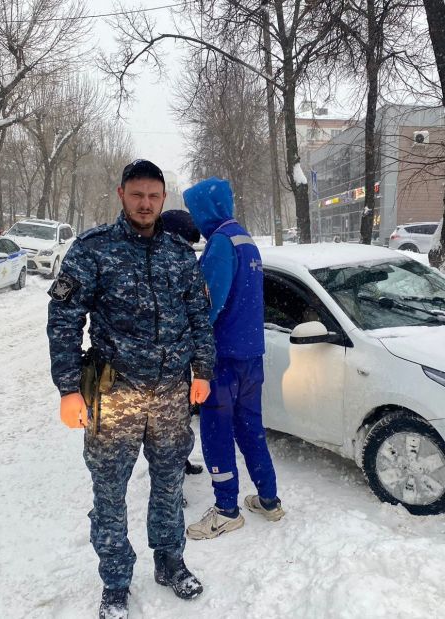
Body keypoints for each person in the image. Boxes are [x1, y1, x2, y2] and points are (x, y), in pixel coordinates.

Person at [46, 159, 215, 619]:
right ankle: (116, 582)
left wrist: (202, 370)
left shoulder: (179, 253)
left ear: (164, 199)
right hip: (114, 394)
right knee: (109, 492)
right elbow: (63, 320)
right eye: (137, 194)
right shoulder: (93, 249)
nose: (145, 203)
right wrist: (68, 389)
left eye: (154, 196)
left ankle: (170, 561)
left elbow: (200, 317)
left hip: (169, 397)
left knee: (168, 484)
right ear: (121, 194)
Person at [182, 176, 284, 541]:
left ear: (207, 209)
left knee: (216, 432)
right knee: (250, 429)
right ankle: (268, 499)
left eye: (195, 210)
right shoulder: (246, 240)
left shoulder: (221, 244)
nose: (195, 218)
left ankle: (226, 509)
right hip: (251, 354)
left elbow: (207, 303)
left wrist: (190, 340)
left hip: (222, 357)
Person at [160, 209, 205, 477]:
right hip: (164, 365)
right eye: (185, 242)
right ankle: (172, 480)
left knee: (181, 419)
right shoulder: (160, 265)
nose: (188, 248)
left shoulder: (182, 262)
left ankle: (181, 463)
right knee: (167, 427)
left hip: (181, 359)